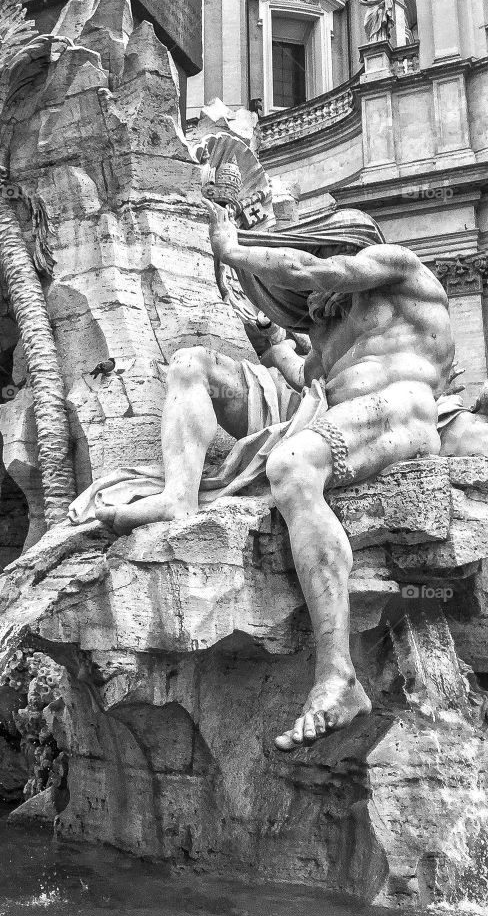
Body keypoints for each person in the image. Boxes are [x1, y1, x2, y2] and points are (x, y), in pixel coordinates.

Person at [71, 207, 466, 751]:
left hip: (401, 411)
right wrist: (278, 338)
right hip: (324, 412)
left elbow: (311, 272)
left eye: (328, 248)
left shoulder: (398, 266)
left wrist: (233, 252)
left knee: (292, 464)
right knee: (192, 364)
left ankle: (337, 676)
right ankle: (177, 497)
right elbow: (305, 373)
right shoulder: (328, 321)